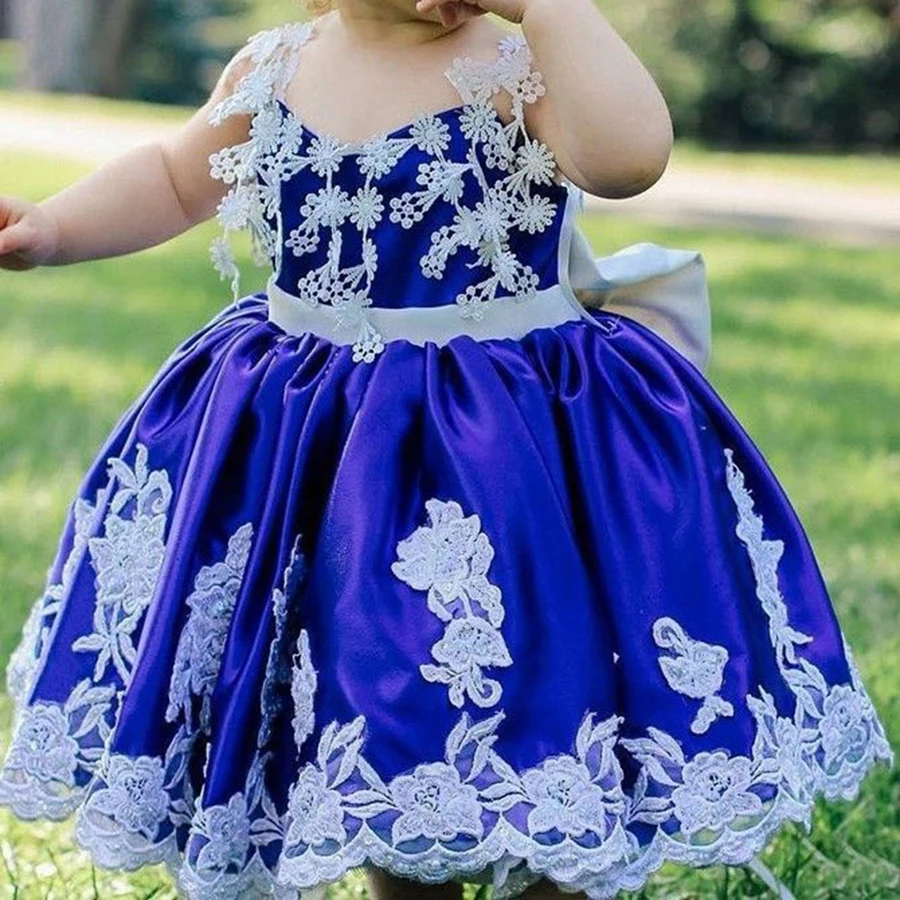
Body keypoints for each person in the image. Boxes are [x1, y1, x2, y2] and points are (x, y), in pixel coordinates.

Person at [0, 1, 891, 898]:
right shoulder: (277, 67)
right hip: (327, 453)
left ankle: (561, 860)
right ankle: (403, 853)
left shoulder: (514, 60)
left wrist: (548, 9)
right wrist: (53, 231)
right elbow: (172, 177)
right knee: (379, 686)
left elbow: (628, 158)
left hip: (508, 451)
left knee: (550, 676)